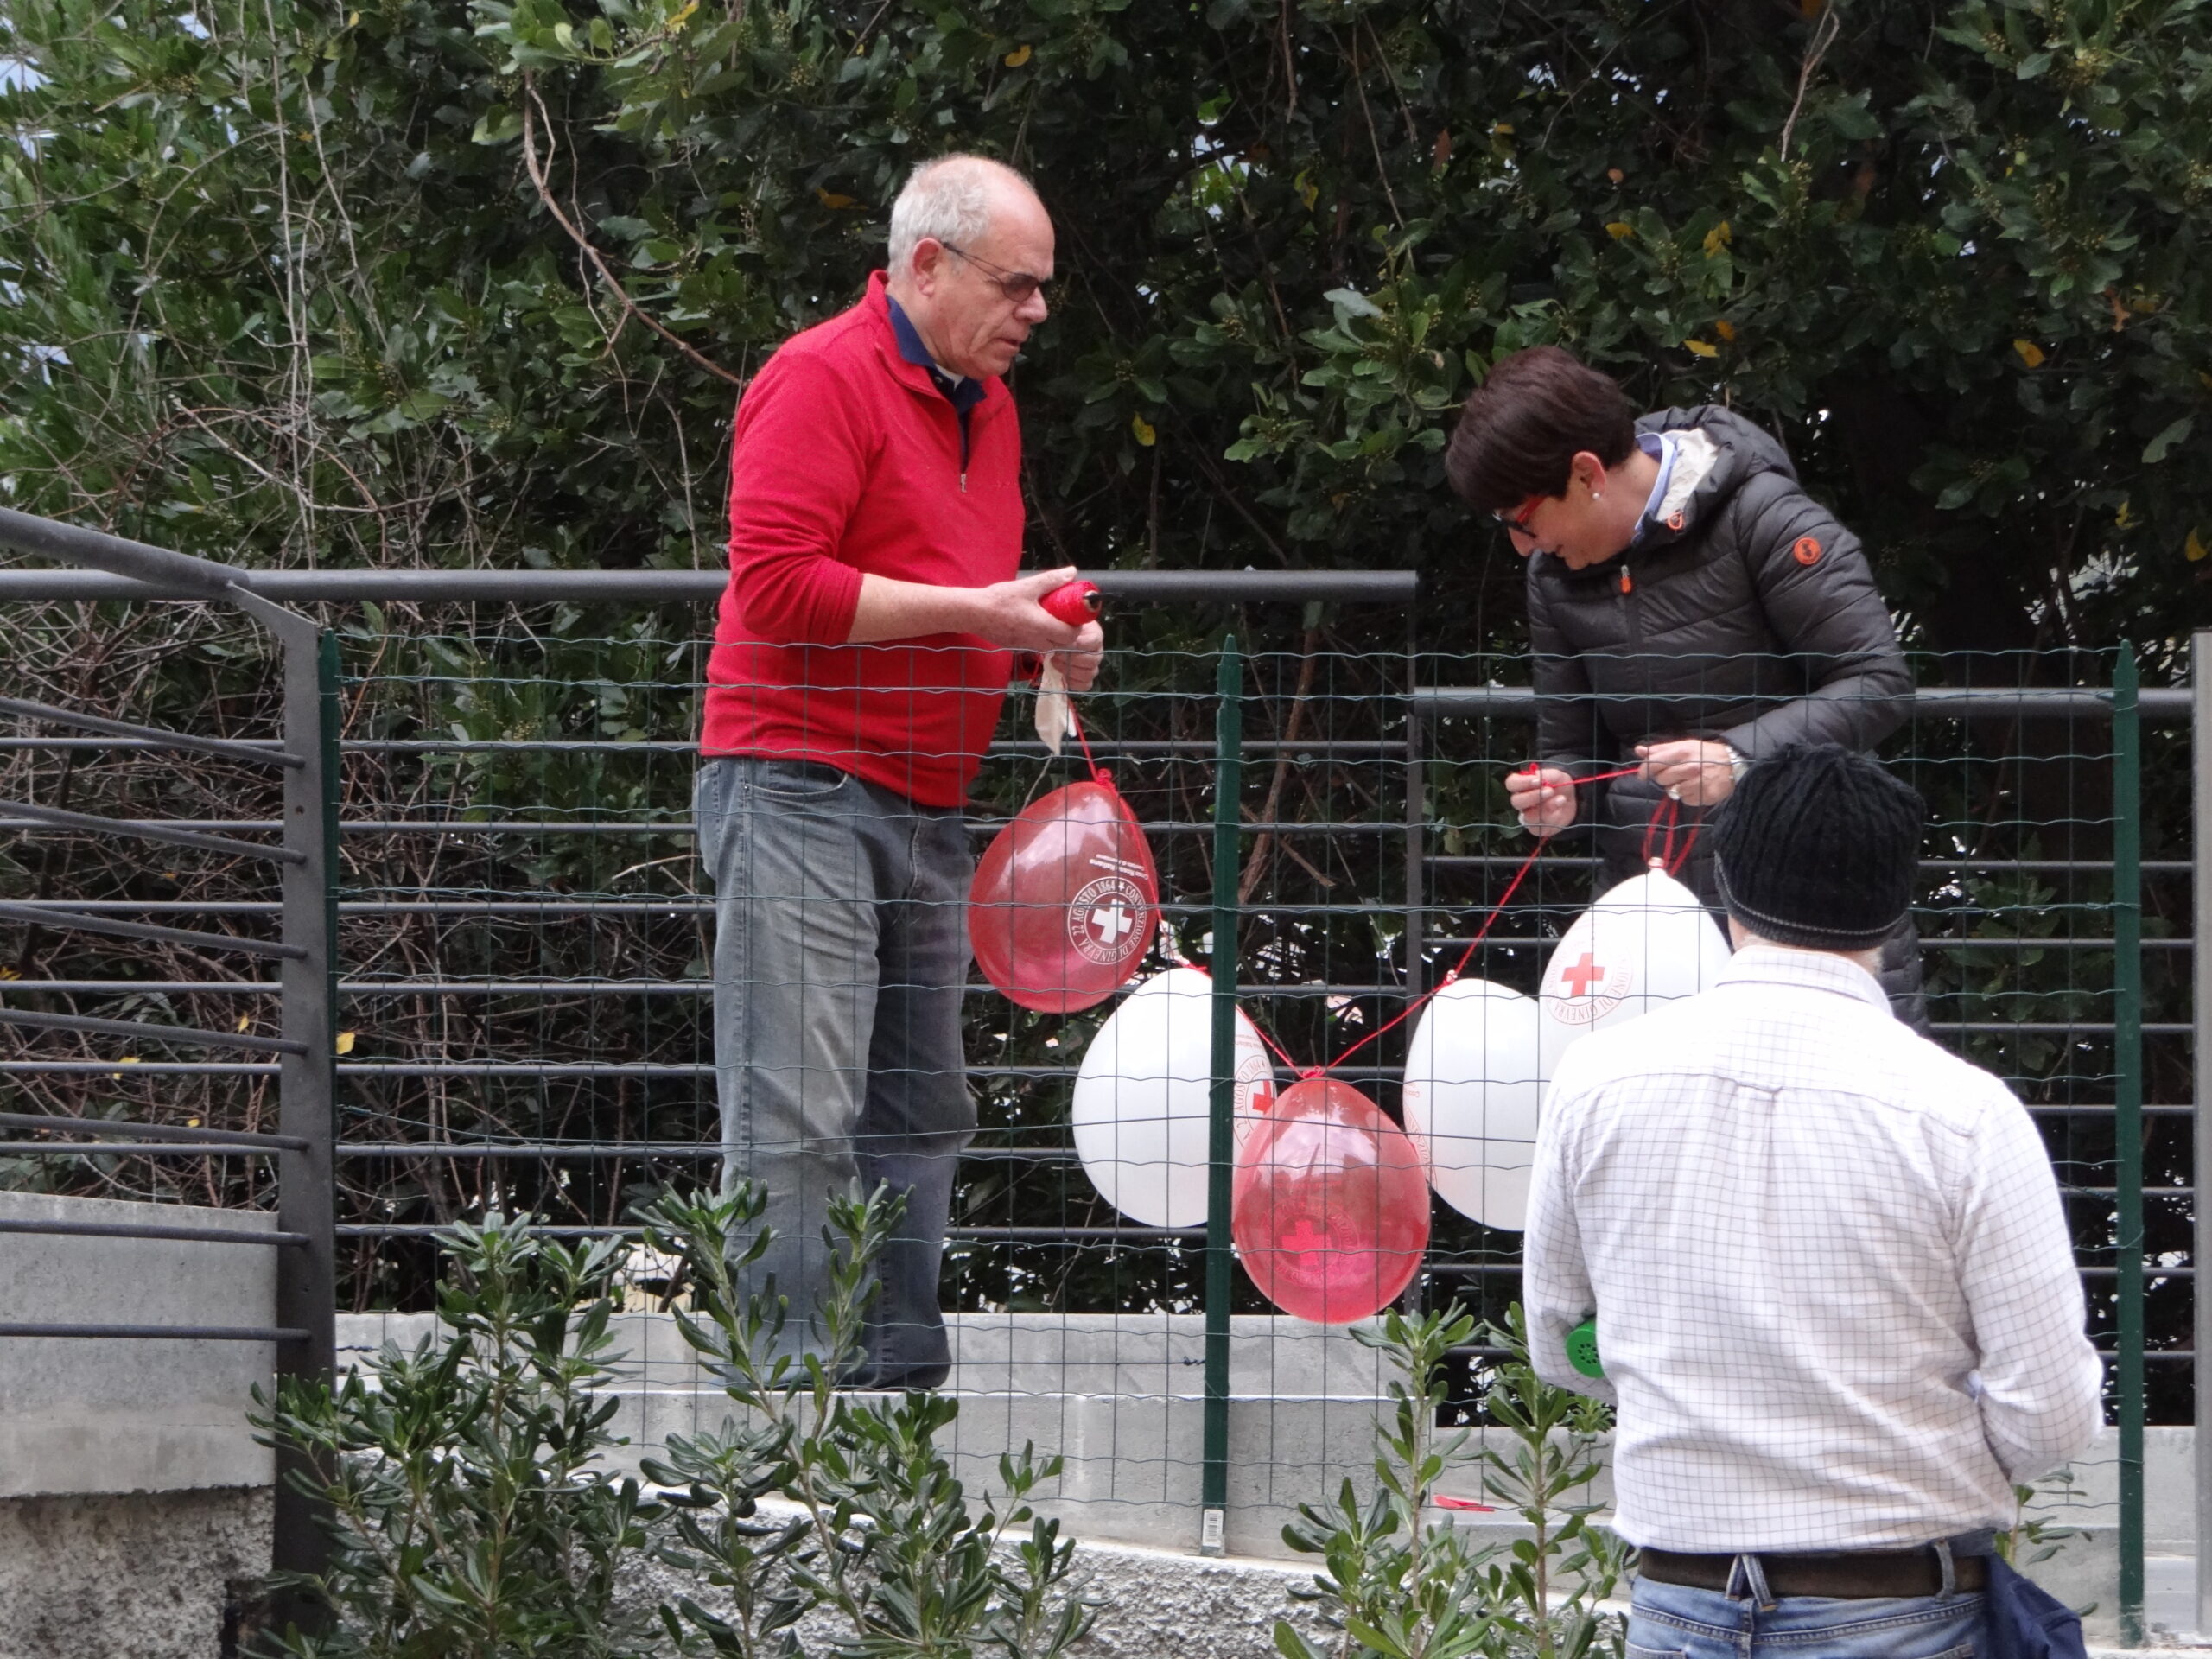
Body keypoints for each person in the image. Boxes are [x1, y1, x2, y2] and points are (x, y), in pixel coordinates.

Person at [1524, 744, 2103, 1659]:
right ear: (1894, 901)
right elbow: (2053, 1414)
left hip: (1678, 1600)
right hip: (1903, 1599)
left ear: (1726, 873)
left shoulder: (1594, 1081)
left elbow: (1562, 1343)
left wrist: (1688, 1387)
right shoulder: (1964, 1114)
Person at [696, 154, 1103, 1389]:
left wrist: (1039, 643)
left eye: (1043, 289)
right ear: (926, 264)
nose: (1036, 310)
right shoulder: (818, 377)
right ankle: (780, 1445)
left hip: (929, 800)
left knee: (922, 1112)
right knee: (798, 1124)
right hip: (799, 784)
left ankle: (891, 1419)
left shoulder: (990, 400)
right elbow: (774, 590)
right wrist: (979, 609)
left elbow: (951, 596)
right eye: (1016, 284)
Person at [1442, 346, 1924, 1026]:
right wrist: (1555, 794)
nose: (1523, 546)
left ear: (1585, 475)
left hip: (1810, 896)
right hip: (1646, 922)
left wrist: (1735, 757)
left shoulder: (1763, 517)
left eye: (1521, 519)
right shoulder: (1552, 576)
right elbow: (1572, 749)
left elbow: (1878, 683)